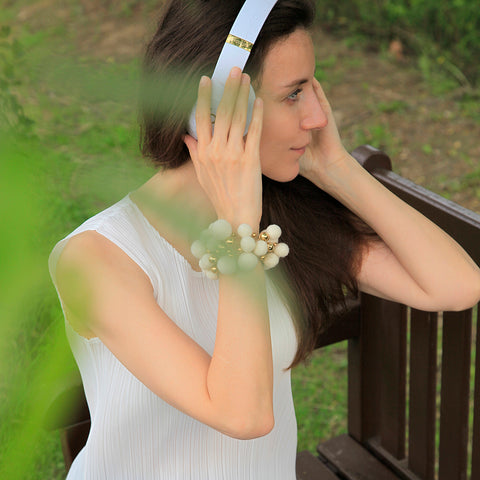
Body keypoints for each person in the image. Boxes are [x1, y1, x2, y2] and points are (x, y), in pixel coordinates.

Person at [48, 0, 480, 478]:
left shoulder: (283, 216)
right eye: (294, 94)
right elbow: (243, 415)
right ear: (210, 112)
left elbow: (457, 286)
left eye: (314, 89)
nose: (317, 116)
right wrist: (238, 231)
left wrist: (335, 169)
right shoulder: (98, 259)